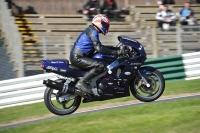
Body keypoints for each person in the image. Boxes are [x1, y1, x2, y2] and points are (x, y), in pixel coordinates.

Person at [70, 14, 124, 94]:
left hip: (79, 56)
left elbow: (100, 47)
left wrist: (116, 49)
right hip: (78, 57)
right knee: (101, 65)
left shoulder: (92, 30)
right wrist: (116, 52)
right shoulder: (93, 31)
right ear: (99, 22)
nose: (106, 26)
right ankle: (82, 83)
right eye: (105, 24)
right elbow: (99, 48)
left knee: (101, 60)